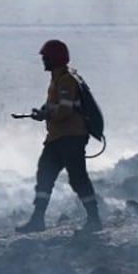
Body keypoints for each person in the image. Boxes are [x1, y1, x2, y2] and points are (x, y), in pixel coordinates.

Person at [16, 39, 102, 234]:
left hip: (71, 137)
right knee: (44, 175)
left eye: (45, 57)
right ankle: (37, 219)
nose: (43, 61)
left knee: (78, 178)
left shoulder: (66, 80)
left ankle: (94, 219)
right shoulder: (58, 79)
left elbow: (64, 111)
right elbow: (57, 106)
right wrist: (42, 112)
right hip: (58, 137)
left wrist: (46, 114)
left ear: (54, 58)